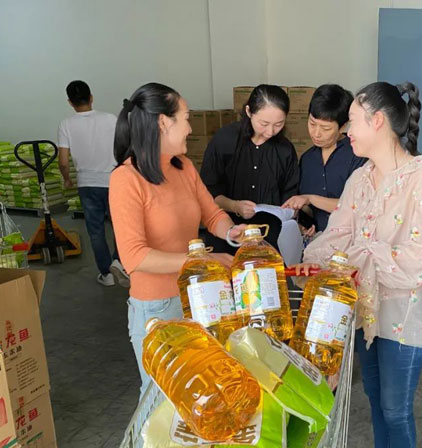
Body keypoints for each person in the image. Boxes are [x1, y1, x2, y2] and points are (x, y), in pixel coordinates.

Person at [294, 82, 422, 448]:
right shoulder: (360, 178)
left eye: (353, 122)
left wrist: (362, 252)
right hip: (366, 311)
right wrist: (311, 261)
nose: (348, 132)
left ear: (377, 121)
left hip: (406, 314)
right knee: (375, 397)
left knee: (396, 408)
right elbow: (338, 235)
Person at [108, 83, 246, 398]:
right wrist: (202, 261)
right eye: (186, 118)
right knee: (162, 401)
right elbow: (134, 257)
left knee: (200, 396)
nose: (190, 128)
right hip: (158, 309)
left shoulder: (183, 168)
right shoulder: (126, 179)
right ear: (163, 122)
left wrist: (231, 232)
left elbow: (212, 214)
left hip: (199, 297)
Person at [200, 84, 299, 253]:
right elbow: (207, 192)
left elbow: (290, 197)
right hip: (227, 233)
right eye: (264, 123)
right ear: (248, 111)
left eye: (279, 124)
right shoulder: (225, 140)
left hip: (269, 236)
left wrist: (293, 211)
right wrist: (235, 206)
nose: (270, 131)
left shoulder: (285, 150)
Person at [58, 80, 127, 287]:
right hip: (113, 181)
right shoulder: (110, 119)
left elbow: (63, 161)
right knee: (121, 226)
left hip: (87, 184)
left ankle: (106, 275)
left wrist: (67, 178)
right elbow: (123, 147)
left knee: (96, 231)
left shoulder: (66, 125)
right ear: (91, 97)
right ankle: (119, 262)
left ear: (70, 102)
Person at [282, 84, 366, 236]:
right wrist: (303, 223)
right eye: (312, 124)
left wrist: (311, 199)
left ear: (343, 126)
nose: (316, 133)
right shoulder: (307, 159)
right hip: (318, 241)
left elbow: (357, 206)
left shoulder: (358, 155)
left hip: (352, 240)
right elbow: (308, 209)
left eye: (325, 128)